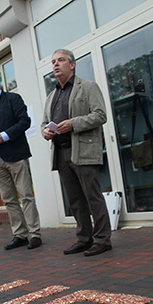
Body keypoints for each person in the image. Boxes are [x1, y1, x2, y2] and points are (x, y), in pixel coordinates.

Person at [42, 49, 112, 257]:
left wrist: (73, 123)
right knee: (75, 200)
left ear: (72, 64)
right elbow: (44, 122)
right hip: (61, 153)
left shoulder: (88, 87)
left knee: (92, 197)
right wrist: (46, 130)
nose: (56, 64)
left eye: (60, 60)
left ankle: (102, 240)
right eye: (53, 61)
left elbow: (100, 115)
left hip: (83, 150)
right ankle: (84, 238)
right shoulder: (51, 96)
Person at [0, 71, 41, 250]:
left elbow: (25, 121)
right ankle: (20, 234)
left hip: (16, 156)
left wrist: (5, 136)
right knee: (9, 199)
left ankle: (34, 234)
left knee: (26, 195)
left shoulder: (13, 99)